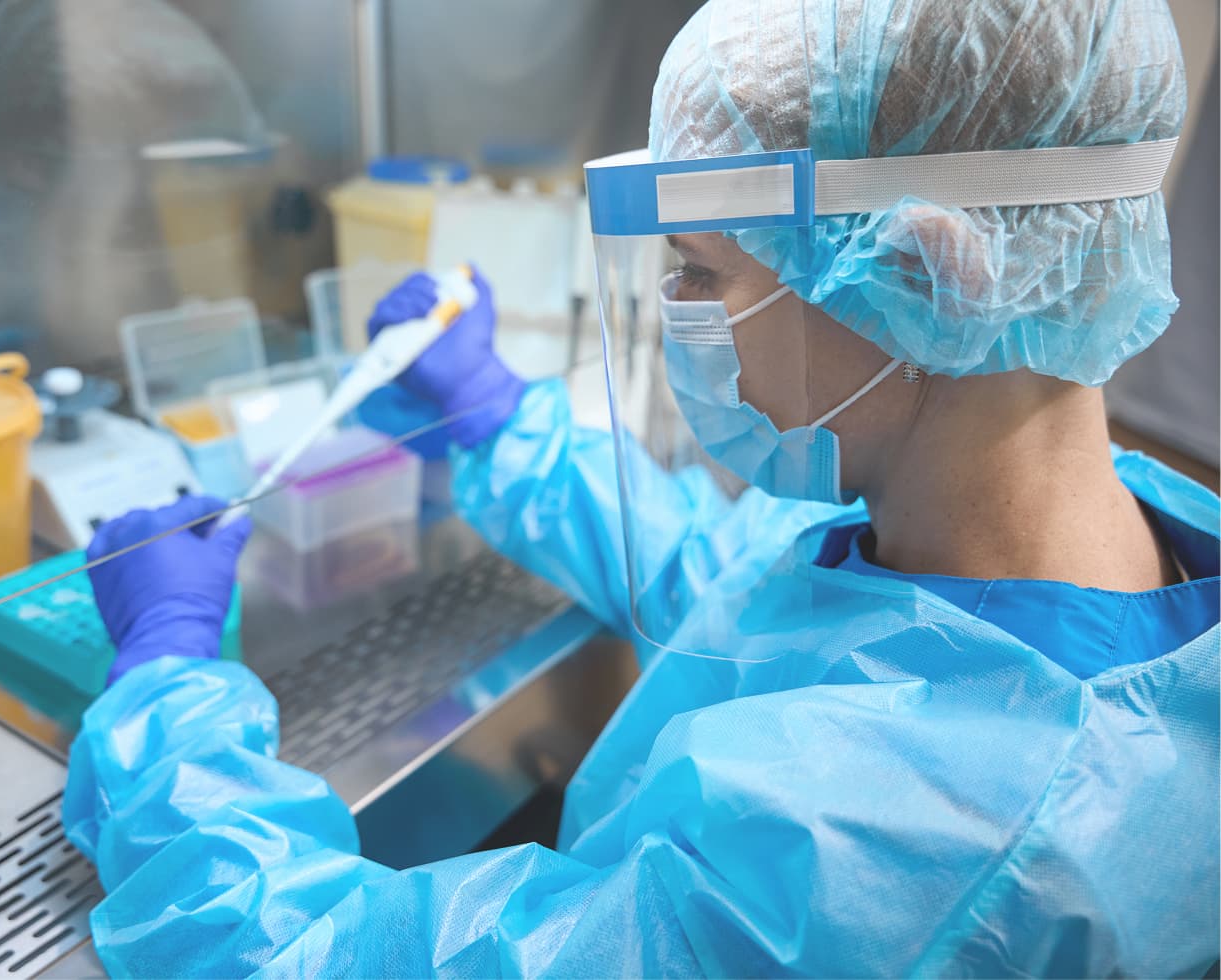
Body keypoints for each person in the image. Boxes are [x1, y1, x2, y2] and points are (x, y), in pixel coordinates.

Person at [66, 1, 1220, 975]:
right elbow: (747, 606)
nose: (680, 312)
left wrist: (166, 700)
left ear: (925, 272)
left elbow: (317, 953)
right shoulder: (1091, 529)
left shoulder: (892, 860)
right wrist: (502, 427)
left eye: (701, 270)